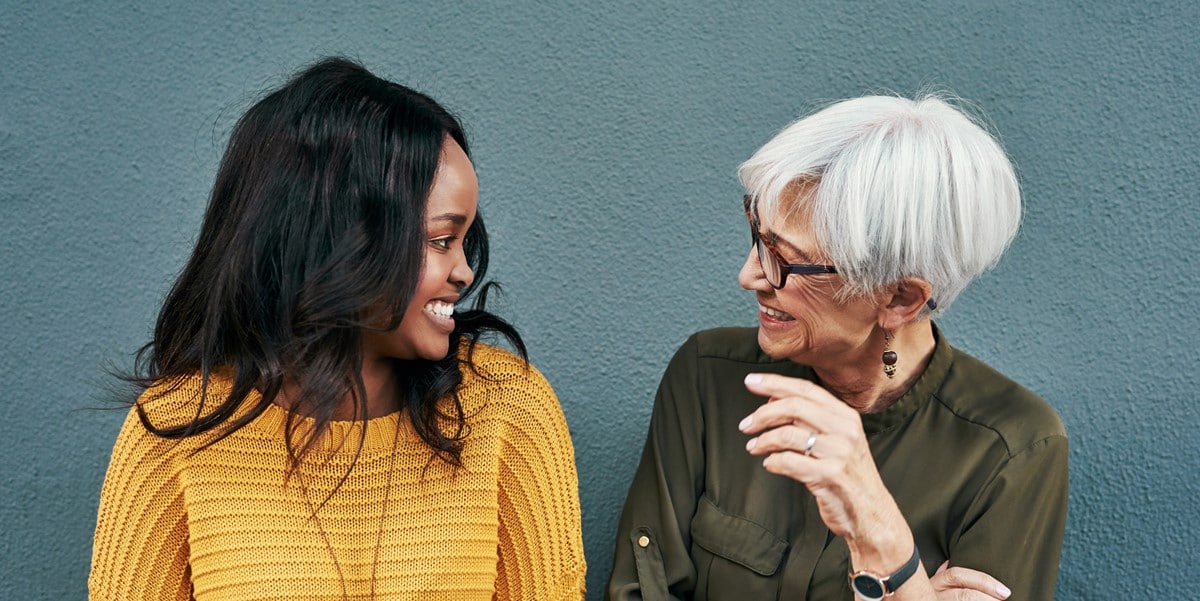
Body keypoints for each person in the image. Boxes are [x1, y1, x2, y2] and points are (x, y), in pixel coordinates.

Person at [90, 58, 585, 600]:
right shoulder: (175, 429)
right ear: (339, 241)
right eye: (441, 240)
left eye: (465, 240)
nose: (465, 271)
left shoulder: (507, 409)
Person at [607, 93, 1067, 600]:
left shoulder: (1011, 450)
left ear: (899, 298)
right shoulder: (708, 381)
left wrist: (883, 539)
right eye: (759, 237)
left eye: (787, 260)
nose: (748, 275)